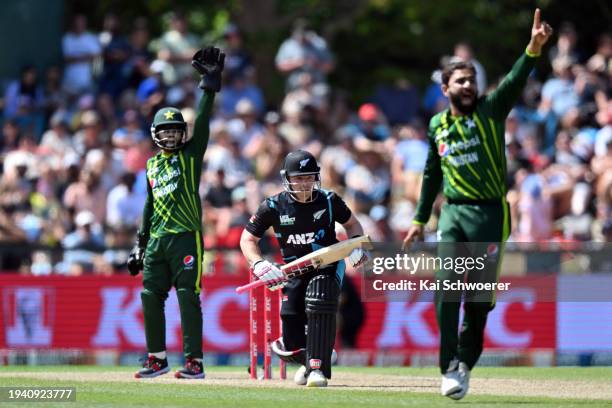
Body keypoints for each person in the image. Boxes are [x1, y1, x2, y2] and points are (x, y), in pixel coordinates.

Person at [401, 9, 552, 400]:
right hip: (453, 213)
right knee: (447, 288)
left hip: (490, 214)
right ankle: (449, 366)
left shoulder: (490, 109)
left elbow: (517, 79)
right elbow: (432, 172)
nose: (468, 85)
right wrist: (420, 218)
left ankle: (466, 361)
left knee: (479, 301)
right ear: (445, 87)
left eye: (471, 80)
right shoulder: (437, 126)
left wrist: (532, 50)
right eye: (460, 81)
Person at [127, 46, 225, 379]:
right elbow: (149, 204)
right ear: (155, 135)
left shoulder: (191, 156)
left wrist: (208, 88)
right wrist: (139, 244)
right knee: (150, 295)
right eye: (164, 131)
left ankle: (194, 362)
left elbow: (204, 122)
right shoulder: (152, 164)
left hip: (185, 236)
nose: (171, 136)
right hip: (156, 240)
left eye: (175, 131)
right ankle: (156, 358)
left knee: (187, 295)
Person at [240, 150, 369, 387]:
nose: (304, 183)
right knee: (289, 334)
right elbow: (247, 239)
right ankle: (310, 356)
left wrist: (357, 247)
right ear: (287, 178)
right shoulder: (273, 205)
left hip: (327, 263)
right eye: (298, 178)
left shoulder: (329, 200)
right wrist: (258, 263)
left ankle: (317, 368)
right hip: (293, 269)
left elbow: (353, 225)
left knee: (319, 299)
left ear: (316, 177)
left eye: (309, 177)